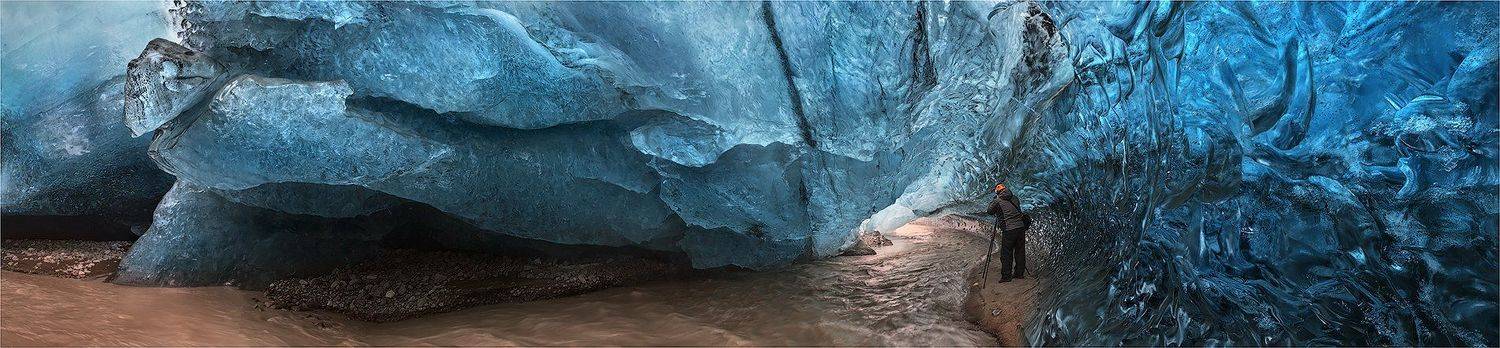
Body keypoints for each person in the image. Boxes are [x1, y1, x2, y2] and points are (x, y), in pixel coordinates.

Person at [984, 183, 1030, 282]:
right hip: (1020, 228)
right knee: (1020, 251)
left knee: (1006, 253)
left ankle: (1006, 276)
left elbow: (989, 211)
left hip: (1009, 229)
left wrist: (994, 200)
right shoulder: (1015, 198)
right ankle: (1019, 274)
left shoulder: (997, 200)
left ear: (997, 191)